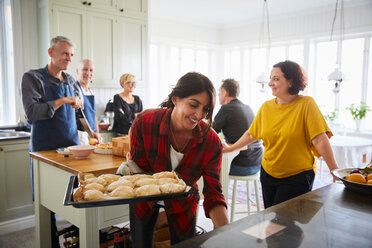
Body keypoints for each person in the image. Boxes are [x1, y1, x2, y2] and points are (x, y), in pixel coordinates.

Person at [129, 72, 229, 247]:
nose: (198, 115)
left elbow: (213, 192)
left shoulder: (211, 142)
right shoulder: (145, 123)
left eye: (205, 109)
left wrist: (227, 233)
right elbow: (138, 173)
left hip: (183, 203)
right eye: (193, 105)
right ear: (175, 99)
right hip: (144, 199)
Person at [223, 60, 338, 209]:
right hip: (268, 173)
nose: (270, 83)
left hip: (297, 176)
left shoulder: (306, 104)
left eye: (276, 79)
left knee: (285, 223)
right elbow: (251, 134)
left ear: (291, 81)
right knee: (272, 220)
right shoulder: (266, 107)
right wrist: (231, 148)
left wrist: (334, 170)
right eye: (270, 78)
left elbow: (319, 140)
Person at [21, 36, 82, 248]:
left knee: (77, 196)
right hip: (44, 150)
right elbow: (32, 114)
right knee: (46, 202)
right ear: (51, 52)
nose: (69, 58)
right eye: (65, 53)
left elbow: (78, 112)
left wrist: (92, 131)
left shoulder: (71, 80)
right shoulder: (32, 78)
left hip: (72, 149)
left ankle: (78, 241)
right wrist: (63, 100)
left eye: (71, 55)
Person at [213, 78, 263, 176]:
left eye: (219, 92)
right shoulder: (247, 107)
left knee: (206, 167)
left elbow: (211, 132)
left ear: (225, 93)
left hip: (241, 165)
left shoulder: (226, 108)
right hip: (257, 163)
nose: (218, 95)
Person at [74, 59, 102, 144]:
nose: (88, 73)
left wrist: (97, 133)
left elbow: (94, 116)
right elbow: (78, 116)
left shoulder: (91, 91)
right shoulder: (75, 90)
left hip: (92, 135)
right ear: (77, 71)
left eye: (91, 70)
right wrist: (89, 132)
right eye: (85, 69)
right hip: (81, 135)